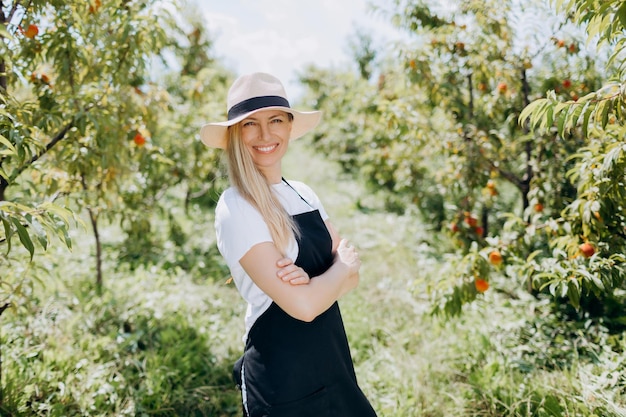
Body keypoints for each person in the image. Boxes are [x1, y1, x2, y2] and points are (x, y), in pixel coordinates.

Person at [200, 72, 377, 417]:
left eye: (276, 120)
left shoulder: (303, 192)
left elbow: (353, 281)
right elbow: (305, 307)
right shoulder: (236, 205)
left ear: (290, 126)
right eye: (251, 123)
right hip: (281, 383)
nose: (265, 134)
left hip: (334, 364)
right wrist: (338, 268)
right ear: (236, 133)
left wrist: (318, 283)